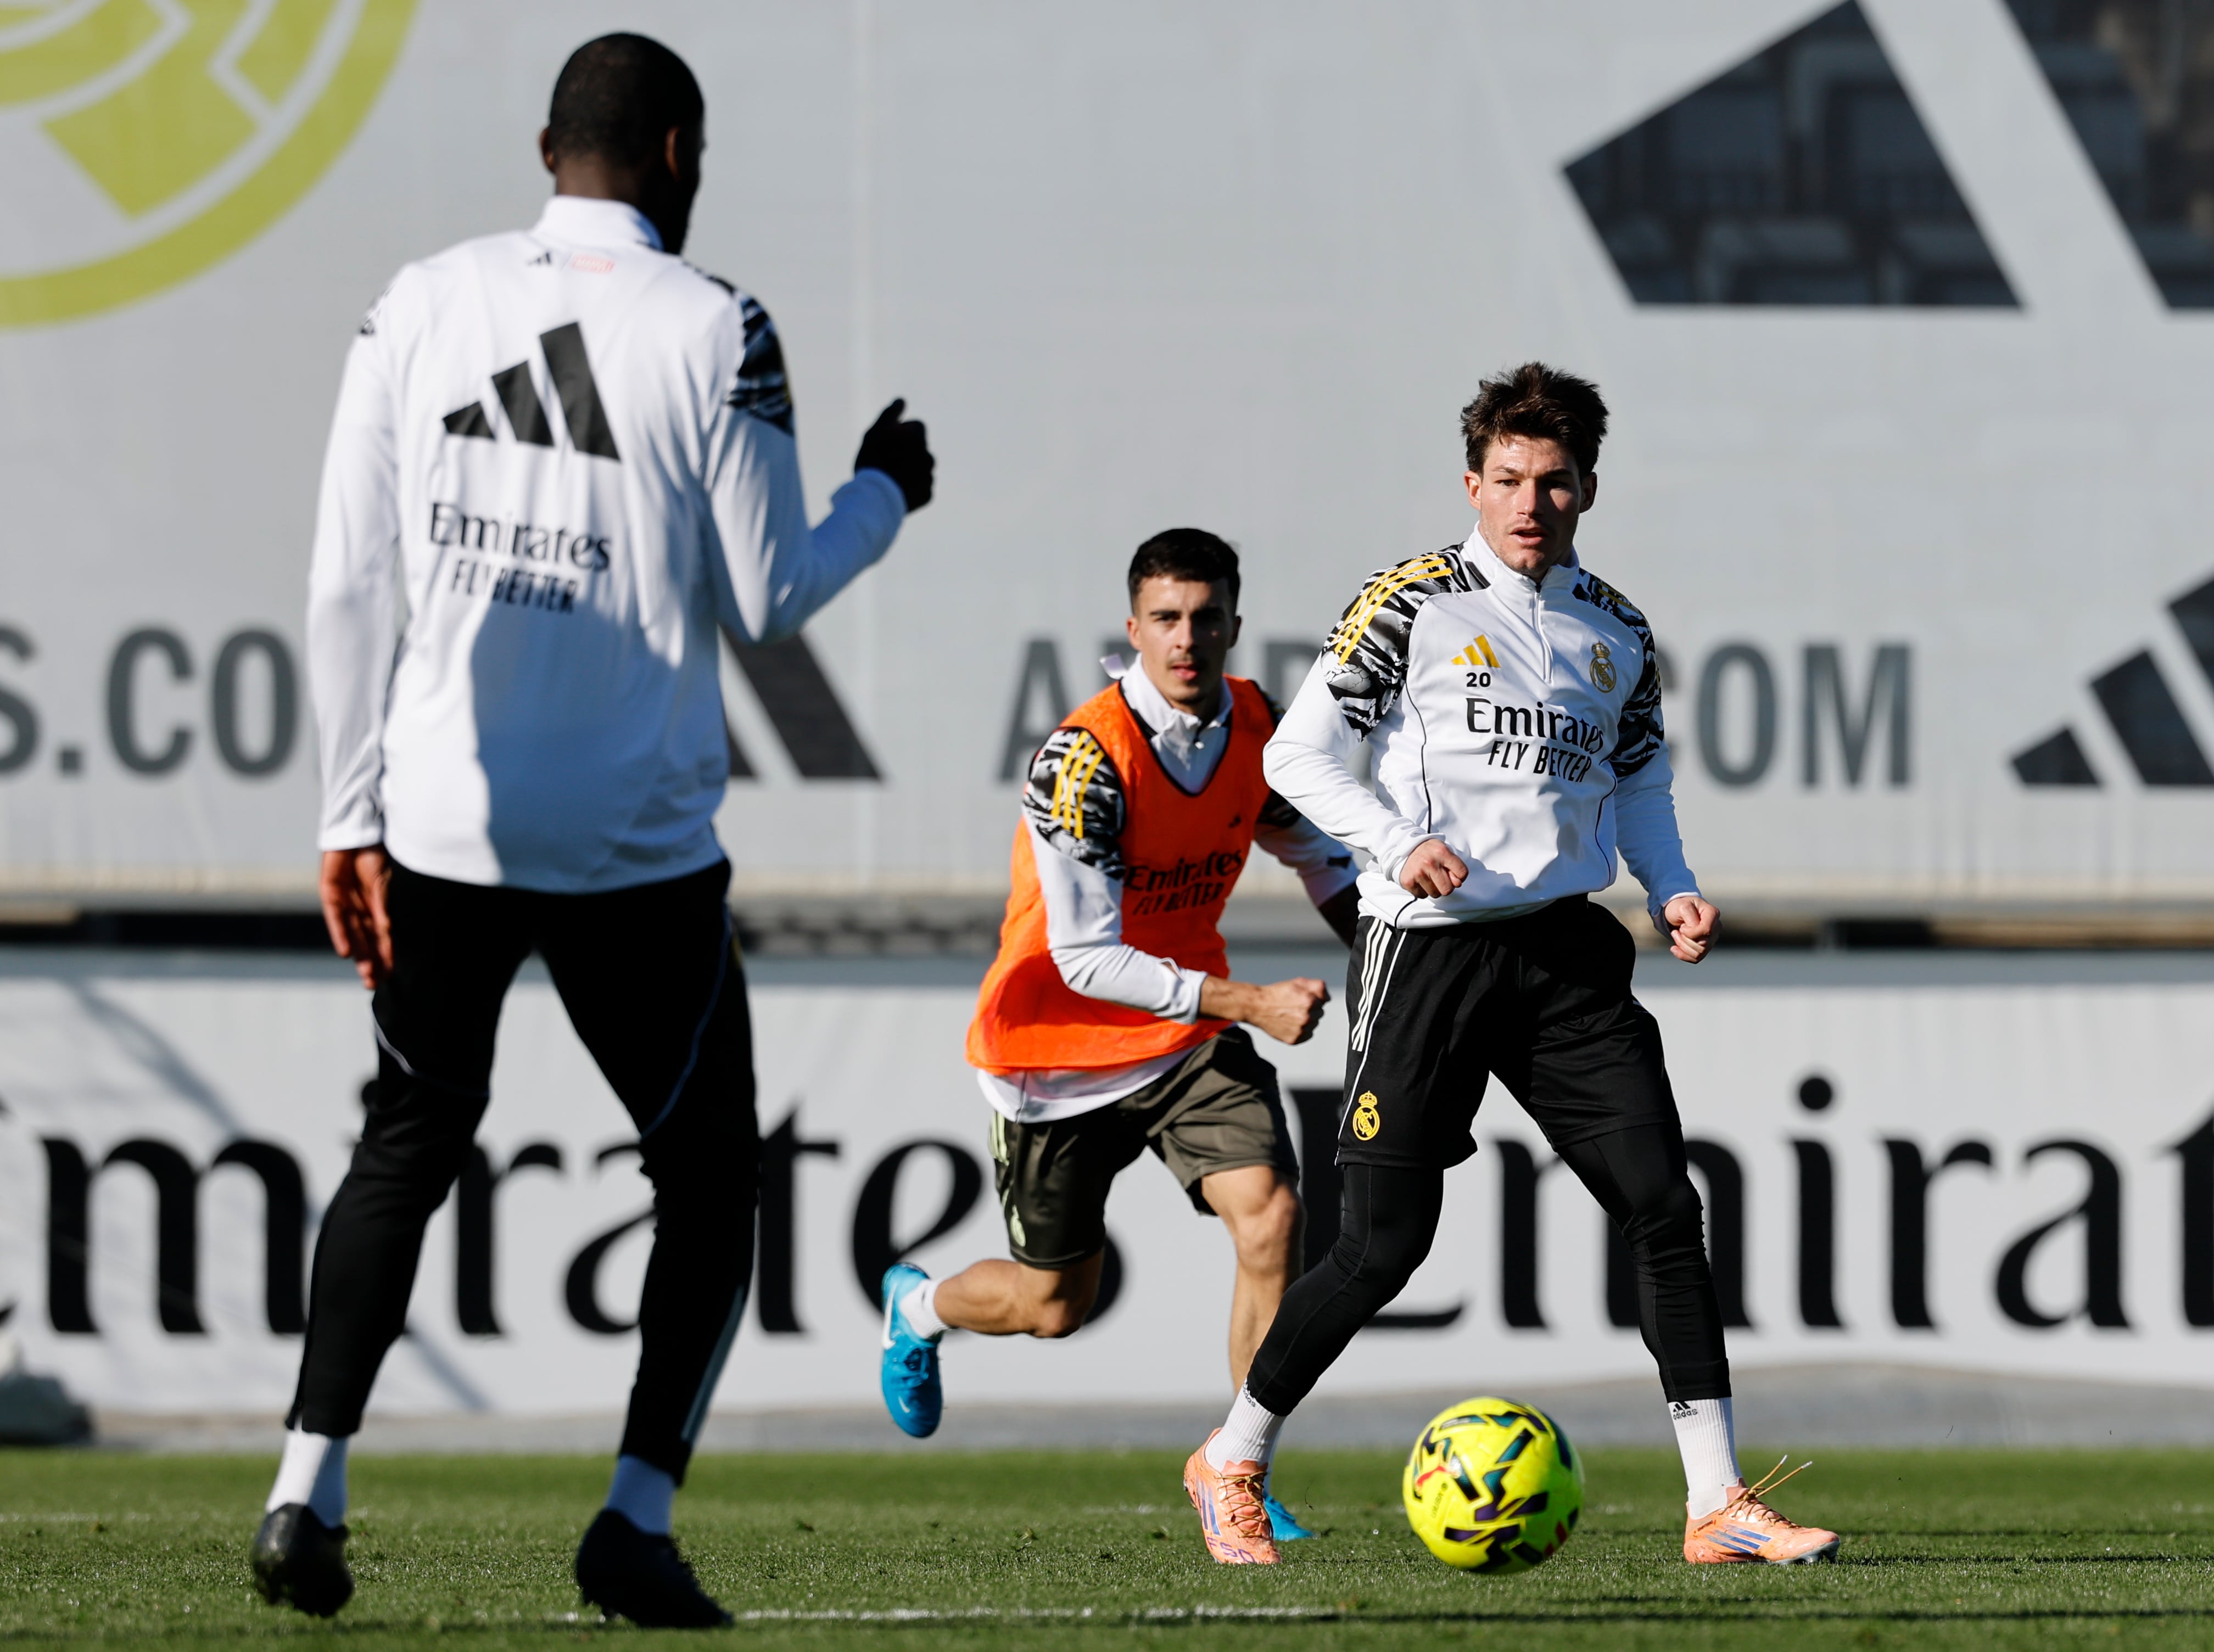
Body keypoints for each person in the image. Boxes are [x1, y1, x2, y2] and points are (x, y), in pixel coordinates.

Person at [256, 34, 935, 1628]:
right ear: (681, 151)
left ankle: (307, 1486)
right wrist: (884, 496)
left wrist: (343, 809)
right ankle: (632, 1517)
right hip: (634, 847)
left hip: (440, 821)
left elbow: (346, 575)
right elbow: (767, 596)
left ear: (546, 144)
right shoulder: (717, 325)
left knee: (405, 1145)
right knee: (707, 1179)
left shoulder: (421, 296)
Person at [1179, 364, 1840, 1567]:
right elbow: (1298, 758)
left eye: (1554, 481)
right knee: (1379, 1248)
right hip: (1430, 954)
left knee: (1662, 1204)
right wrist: (1396, 843)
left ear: (1587, 487)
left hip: (1565, 957)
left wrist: (1669, 881)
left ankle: (1716, 1503)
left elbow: (1638, 778)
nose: (1529, 502)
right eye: (1508, 480)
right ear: (1472, 484)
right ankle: (1232, 1457)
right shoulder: (1413, 600)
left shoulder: (1616, 629)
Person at [877, 530, 1356, 1543]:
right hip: (1055, 1051)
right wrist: (1250, 1002)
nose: (1187, 639)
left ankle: (1239, 1464)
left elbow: (1314, 854)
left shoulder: (1253, 727)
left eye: (1207, 618)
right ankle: (918, 1309)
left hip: (1182, 1044)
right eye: (1167, 619)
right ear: (1132, 627)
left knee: (1270, 1218)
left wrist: (1385, 949)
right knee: (1055, 1308)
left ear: (1233, 624)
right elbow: (1087, 959)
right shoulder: (1082, 759)